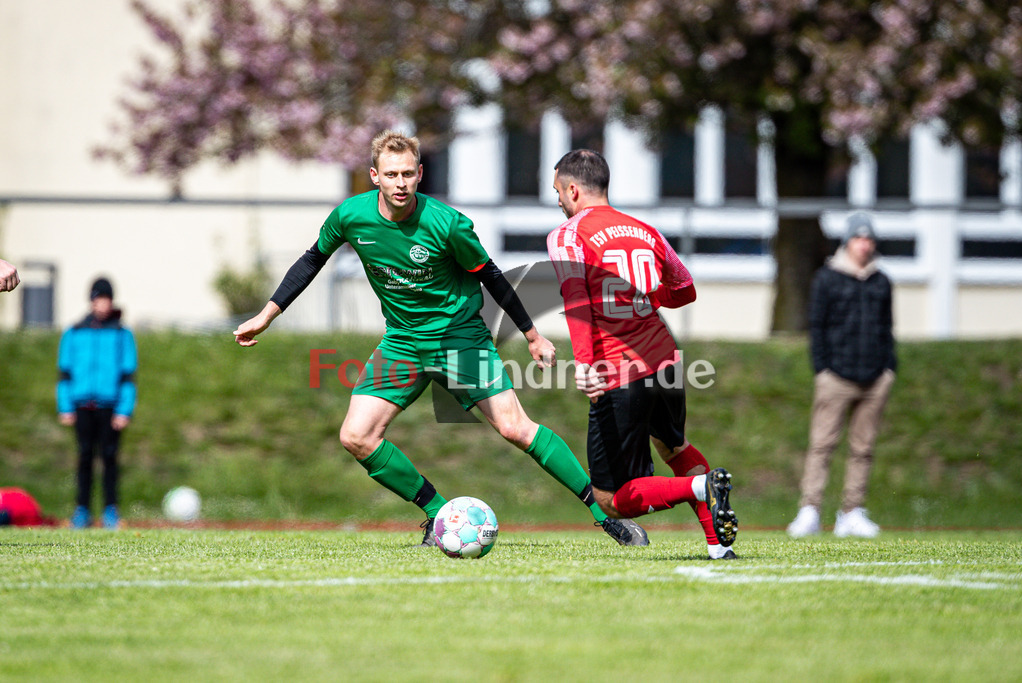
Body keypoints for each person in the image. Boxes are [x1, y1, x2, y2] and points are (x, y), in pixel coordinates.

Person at [232, 130, 647, 546]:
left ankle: (604, 513)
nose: (400, 182)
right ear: (374, 175)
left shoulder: (446, 223)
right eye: (391, 174)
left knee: (515, 429)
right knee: (356, 437)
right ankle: (437, 515)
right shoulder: (350, 216)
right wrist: (267, 315)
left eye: (408, 174)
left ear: (420, 175)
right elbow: (312, 260)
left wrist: (532, 335)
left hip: (460, 338)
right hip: (403, 342)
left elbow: (491, 277)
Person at [546, 149, 738, 559]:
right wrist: (645, 296)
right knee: (677, 448)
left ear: (573, 189)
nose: (558, 201)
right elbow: (685, 290)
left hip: (619, 369)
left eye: (558, 192)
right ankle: (718, 546)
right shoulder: (646, 230)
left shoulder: (568, 235)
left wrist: (584, 364)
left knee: (610, 499)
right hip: (666, 360)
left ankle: (699, 487)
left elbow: (576, 300)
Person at [787, 213, 896, 538]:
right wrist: (822, 368)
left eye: (869, 239)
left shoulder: (881, 280)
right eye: (859, 238)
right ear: (848, 241)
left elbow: (887, 327)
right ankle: (810, 510)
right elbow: (816, 327)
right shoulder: (827, 278)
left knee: (863, 448)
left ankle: (852, 511)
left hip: (875, 376)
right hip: (836, 376)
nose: (865, 245)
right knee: (822, 445)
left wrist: (889, 367)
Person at [58, 277, 138, 529]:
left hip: (110, 406)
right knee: (84, 457)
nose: (102, 304)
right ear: (91, 301)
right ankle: (81, 510)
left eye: (106, 298)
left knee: (110, 458)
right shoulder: (74, 332)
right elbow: (65, 373)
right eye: (98, 298)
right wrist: (65, 406)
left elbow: (128, 375)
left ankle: (110, 510)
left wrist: (124, 409)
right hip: (82, 404)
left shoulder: (121, 333)